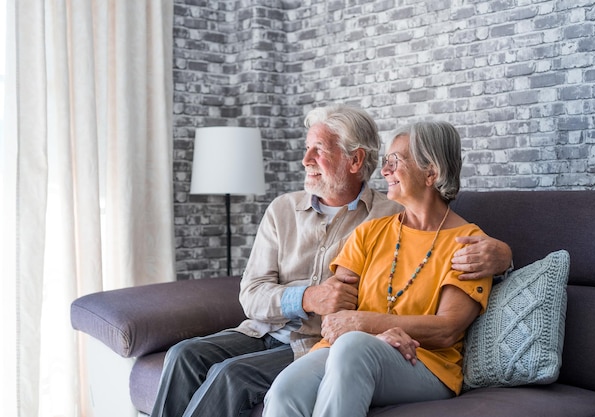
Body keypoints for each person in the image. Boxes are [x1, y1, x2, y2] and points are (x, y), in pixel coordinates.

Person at [150, 106, 512, 417]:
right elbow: (273, 296)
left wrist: (505, 256)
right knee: (192, 357)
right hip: (279, 332)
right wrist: (313, 301)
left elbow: (437, 322)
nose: (306, 160)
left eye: (318, 150)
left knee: (236, 374)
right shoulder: (329, 221)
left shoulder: (408, 221)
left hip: (347, 346)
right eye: (386, 161)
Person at [263, 120, 494, 416]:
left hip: (426, 364)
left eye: (395, 161)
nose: (384, 171)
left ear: (431, 172)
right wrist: (373, 338)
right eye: (386, 162)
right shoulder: (369, 233)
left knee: (353, 349)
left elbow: (447, 330)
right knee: (285, 391)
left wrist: (367, 329)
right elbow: (335, 315)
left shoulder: (469, 244)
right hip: (350, 349)